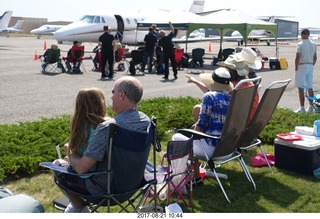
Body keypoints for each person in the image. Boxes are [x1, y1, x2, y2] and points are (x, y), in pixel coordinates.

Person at [53, 76, 151, 213]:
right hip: (133, 186)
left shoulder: (109, 128)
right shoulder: (146, 122)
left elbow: (81, 168)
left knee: (57, 167)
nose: (111, 98)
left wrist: (70, 155)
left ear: (122, 95)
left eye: (113, 92)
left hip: (102, 191)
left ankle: (81, 208)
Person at [173, 67, 233, 185]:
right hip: (227, 148)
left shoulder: (209, 97)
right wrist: (195, 81)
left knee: (177, 138)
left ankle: (180, 179)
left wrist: (192, 135)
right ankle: (196, 177)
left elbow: (202, 124)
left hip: (211, 148)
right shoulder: (231, 99)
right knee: (195, 142)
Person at [294, 28, 317, 113]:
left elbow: (297, 57)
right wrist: (311, 64)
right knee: (309, 86)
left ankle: (302, 107)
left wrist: (296, 67)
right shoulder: (314, 45)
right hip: (310, 65)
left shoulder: (300, 44)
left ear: (302, 34)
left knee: (301, 87)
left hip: (302, 65)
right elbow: (315, 57)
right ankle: (311, 106)